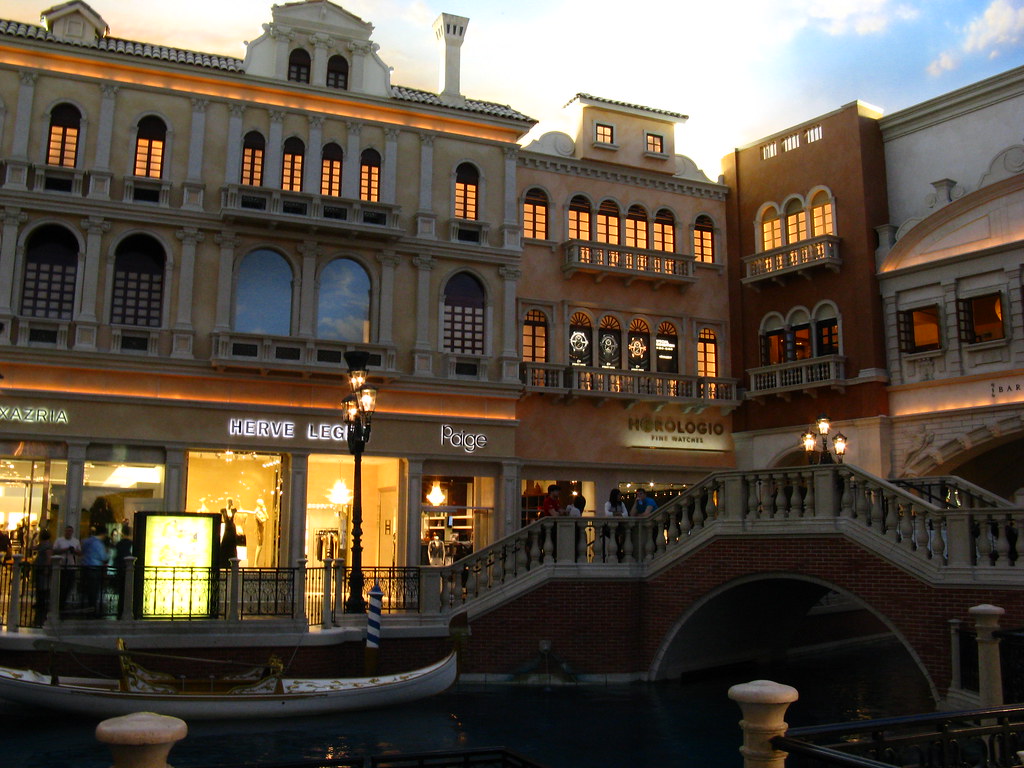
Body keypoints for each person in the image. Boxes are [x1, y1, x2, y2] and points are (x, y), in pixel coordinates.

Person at [80, 526, 109, 617]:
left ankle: (87, 607)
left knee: (87, 590)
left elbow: (82, 552)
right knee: (94, 590)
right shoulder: (99, 544)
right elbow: (103, 557)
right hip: (95, 569)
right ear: (103, 534)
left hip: (85, 568)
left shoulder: (86, 541)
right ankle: (92, 609)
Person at [53, 525, 81, 610]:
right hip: (61, 566)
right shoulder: (59, 540)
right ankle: (59, 603)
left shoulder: (76, 541)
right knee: (61, 585)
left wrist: (74, 551)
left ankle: (64, 602)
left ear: (72, 532)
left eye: (70, 531)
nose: (68, 533)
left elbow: (80, 552)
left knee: (69, 586)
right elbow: (54, 551)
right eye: (67, 531)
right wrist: (64, 550)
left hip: (71, 566)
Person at [32, 529, 54, 624]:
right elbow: (32, 547)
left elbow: (49, 558)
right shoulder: (42, 545)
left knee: (43, 585)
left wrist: (46, 568)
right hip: (39, 567)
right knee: (39, 585)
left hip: (42, 567)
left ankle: (42, 602)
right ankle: (39, 602)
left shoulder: (47, 546)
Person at [113, 525, 134, 616]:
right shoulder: (131, 544)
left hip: (119, 568)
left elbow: (115, 556)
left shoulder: (119, 544)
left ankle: (120, 610)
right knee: (127, 590)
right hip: (127, 569)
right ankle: (127, 610)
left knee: (121, 590)